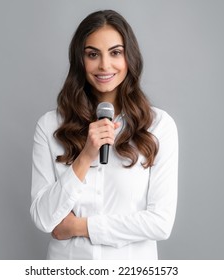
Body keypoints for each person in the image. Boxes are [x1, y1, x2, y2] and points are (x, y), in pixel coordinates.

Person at [30, 10, 178, 260]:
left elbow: (160, 223)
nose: (104, 65)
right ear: (80, 60)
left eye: (115, 52)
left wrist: (80, 227)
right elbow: (44, 219)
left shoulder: (158, 126)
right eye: (92, 54)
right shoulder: (49, 126)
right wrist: (86, 156)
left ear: (129, 57)